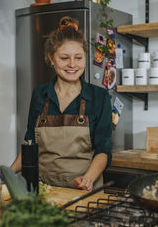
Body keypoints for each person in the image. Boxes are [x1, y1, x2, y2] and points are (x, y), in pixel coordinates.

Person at [10, 16, 112, 191]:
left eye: (78, 58)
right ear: (51, 58)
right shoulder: (39, 94)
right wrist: (6, 174)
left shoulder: (99, 97)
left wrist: (87, 179)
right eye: (64, 58)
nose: (72, 64)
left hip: (84, 190)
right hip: (43, 190)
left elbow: (103, 150)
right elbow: (30, 143)